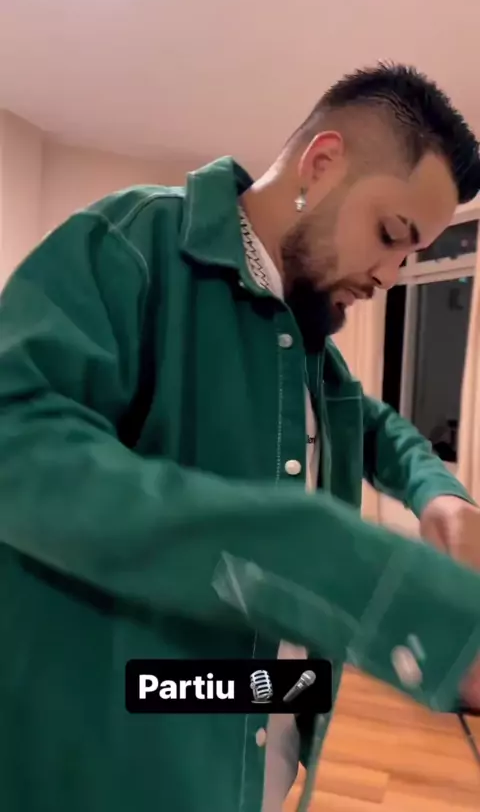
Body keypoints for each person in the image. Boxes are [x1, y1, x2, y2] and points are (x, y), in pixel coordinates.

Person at [0, 63, 480, 812]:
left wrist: (442, 495)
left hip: (249, 734)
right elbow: (17, 447)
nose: (390, 273)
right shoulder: (130, 244)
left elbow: (376, 426)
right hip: (120, 772)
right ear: (322, 164)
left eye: (410, 255)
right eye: (391, 234)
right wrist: (357, 571)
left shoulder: (307, 342)